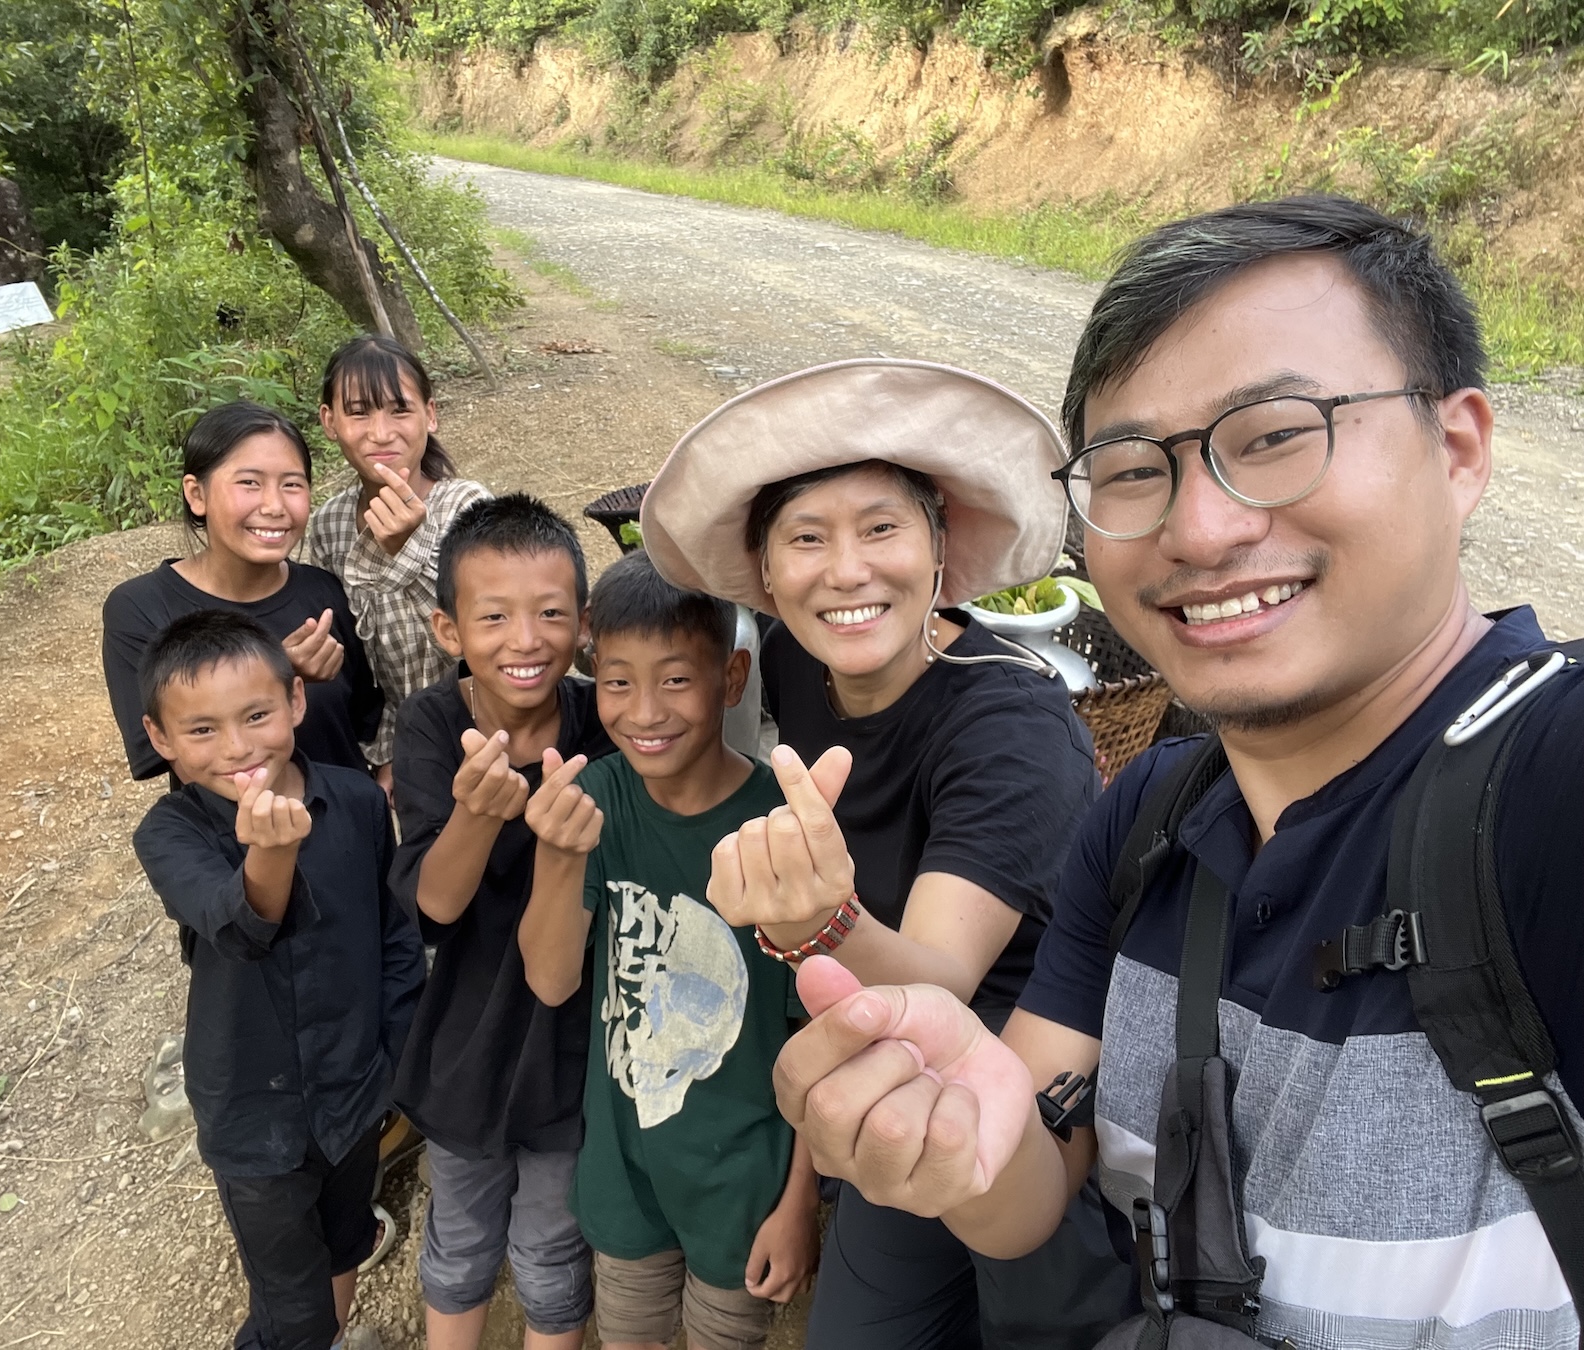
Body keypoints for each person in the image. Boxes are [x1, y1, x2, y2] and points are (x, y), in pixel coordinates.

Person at [770, 197, 1583, 1348]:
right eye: (1135, 468)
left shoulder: (1549, 785)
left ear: (1458, 451)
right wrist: (966, 1140)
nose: (1201, 530)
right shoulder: (1143, 823)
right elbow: (1031, 1184)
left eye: (1275, 434)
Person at [639, 359, 1136, 1348]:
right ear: (767, 575)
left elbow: (946, 979)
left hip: (1019, 1055)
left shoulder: (1010, 723)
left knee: (1021, 1306)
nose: (849, 571)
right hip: (874, 1030)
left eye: (882, 528)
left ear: (939, 547)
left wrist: (821, 921)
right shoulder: (794, 658)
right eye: (808, 539)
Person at [519, 550, 822, 1350]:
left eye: (676, 680)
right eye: (617, 681)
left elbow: (815, 1038)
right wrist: (555, 854)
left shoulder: (778, 829)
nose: (644, 711)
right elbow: (550, 981)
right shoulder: (596, 800)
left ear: (731, 678)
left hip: (745, 1182)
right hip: (627, 1171)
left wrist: (799, 1202)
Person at [130, 610, 424, 1350]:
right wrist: (269, 853)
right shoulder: (171, 834)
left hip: (355, 1091)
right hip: (253, 1118)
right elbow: (237, 927)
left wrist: (395, 1055)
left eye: (256, 714)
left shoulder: (355, 802)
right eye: (201, 731)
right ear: (160, 740)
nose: (236, 748)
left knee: (347, 1242)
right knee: (291, 1311)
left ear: (296, 702)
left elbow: (394, 939)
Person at [388, 494, 608, 1350]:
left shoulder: (605, 723)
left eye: (551, 613)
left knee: (553, 1243)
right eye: (495, 617)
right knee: (462, 1229)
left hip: (572, 1034)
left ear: (583, 624)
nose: (526, 640)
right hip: (468, 1036)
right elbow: (434, 906)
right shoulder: (434, 724)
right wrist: (478, 814)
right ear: (449, 630)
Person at [103, 399, 382, 782]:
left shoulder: (324, 593)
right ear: (196, 495)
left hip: (351, 832)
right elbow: (165, 756)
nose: (274, 505)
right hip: (233, 840)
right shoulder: (142, 608)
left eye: (292, 485)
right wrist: (273, 675)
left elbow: (366, 722)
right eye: (250, 483)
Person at [308, 334, 491, 796]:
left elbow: (485, 636)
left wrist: (404, 549)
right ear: (329, 421)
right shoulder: (328, 525)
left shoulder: (467, 506)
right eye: (358, 412)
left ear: (430, 414)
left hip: (490, 722)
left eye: (399, 409)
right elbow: (352, 662)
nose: (381, 432)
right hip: (405, 742)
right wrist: (392, 750)